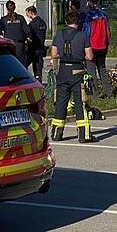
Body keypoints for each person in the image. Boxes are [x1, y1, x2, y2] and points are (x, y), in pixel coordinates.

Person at [50, 11, 97, 143]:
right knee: (80, 102)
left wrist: (63, 55)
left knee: (60, 102)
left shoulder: (59, 34)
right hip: (77, 71)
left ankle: (56, 134)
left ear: (66, 22)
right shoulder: (83, 35)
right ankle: (83, 135)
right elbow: (90, 56)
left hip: (63, 71)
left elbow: (54, 54)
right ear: (78, 22)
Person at [83, 0, 113, 98]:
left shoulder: (88, 16)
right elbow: (108, 32)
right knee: (102, 70)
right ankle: (109, 93)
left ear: (90, 1)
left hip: (92, 46)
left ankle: (95, 94)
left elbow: (86, 32)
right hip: (103, 46)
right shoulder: (104, 15)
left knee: (91, 71)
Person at [0, 1, 32, 65]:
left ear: (6, 8)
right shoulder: (20, 18)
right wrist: (29, 38)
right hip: (19, 45)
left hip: (9, 45)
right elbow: (27, 30)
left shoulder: (4, 19)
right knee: (21, 64)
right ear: (15, 7)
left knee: (10, 63)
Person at [25, 5, 48, 82]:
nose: (28, 16)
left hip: (33, 49)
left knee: (23, 65)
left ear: (31, 12)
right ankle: (39, 82)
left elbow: (28, 35)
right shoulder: (43, 23)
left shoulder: (32, 24)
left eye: (28, 14)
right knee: (38, 70)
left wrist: (28, 40)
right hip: (41, 48)